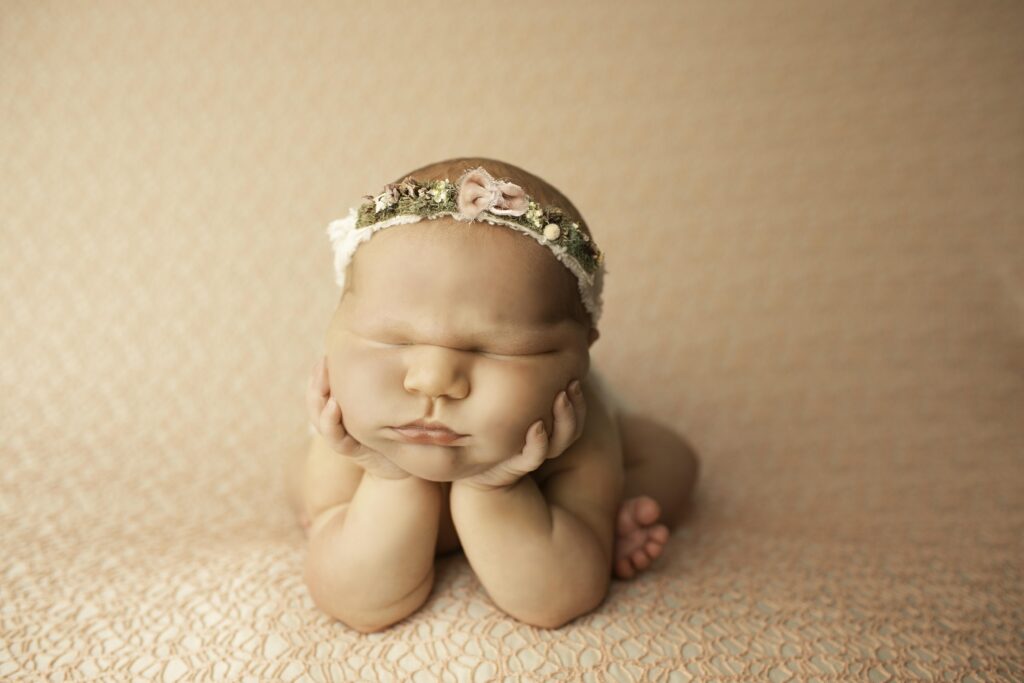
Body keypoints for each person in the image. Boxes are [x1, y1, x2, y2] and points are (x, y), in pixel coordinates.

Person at [284, 157, 699, 632]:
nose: (433, 380)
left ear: (578, 360)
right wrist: (389, 479)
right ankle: (334, 518)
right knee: (299, 474)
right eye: (392, 340)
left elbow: (556, 600)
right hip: (369, 457)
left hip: (539, 463)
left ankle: (598, 525)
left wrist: (495, 488)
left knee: (670, 459)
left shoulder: (576, 432)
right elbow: (359, 603)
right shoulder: (354, 432)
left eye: (494, 349)